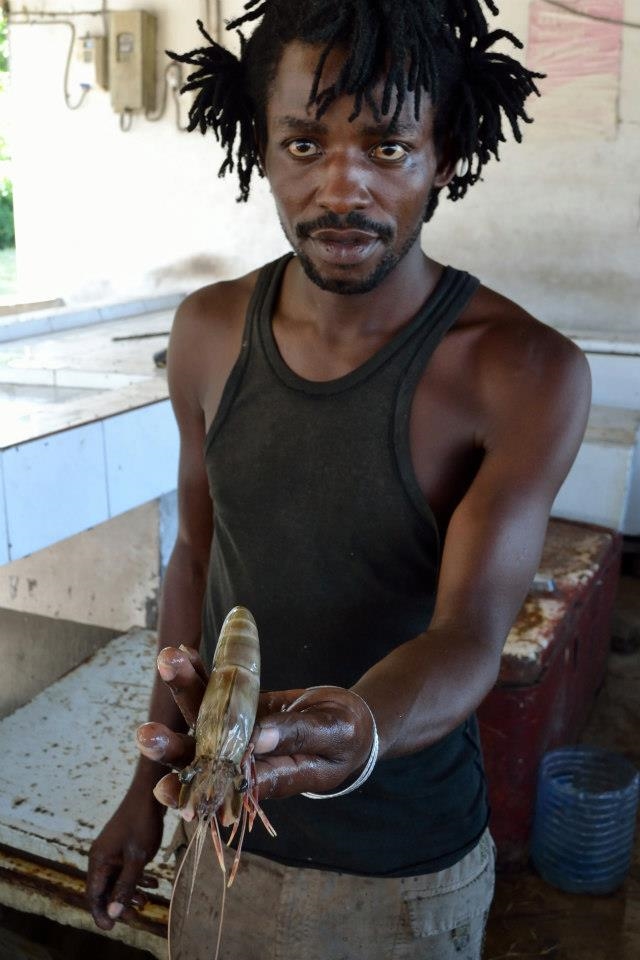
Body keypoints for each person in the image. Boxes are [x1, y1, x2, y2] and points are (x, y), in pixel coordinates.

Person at [87, 2, 591, 957]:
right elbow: (198, 558)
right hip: (222, 828)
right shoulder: (206, 333)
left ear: (443, 156)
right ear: (261, 149)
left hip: (401, 875)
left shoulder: (524, 371)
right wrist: (143, 799)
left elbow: (471, 635)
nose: (341, 188)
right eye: (304, 143)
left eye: (389, 148)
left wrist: (360, 732)